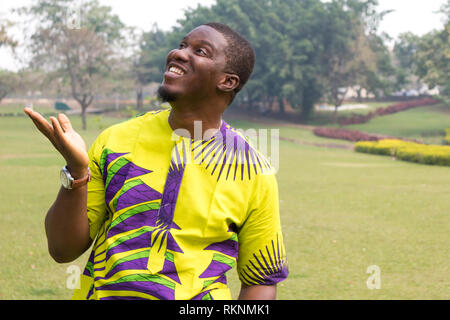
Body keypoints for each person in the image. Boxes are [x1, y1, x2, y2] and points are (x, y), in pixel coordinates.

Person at [24, 22, 288, 300]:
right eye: (182, 44)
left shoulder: (253, 171)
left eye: (200, 51)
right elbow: (62, 249)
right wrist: (76, 171)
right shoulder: (115, 140)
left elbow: (261, 280)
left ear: (227, 81)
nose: (179, 53)